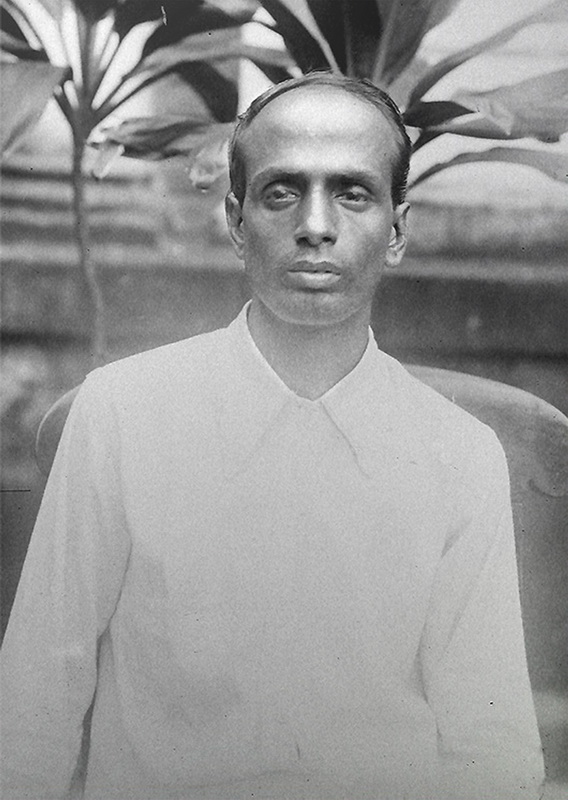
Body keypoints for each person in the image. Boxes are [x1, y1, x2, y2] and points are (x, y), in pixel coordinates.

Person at [0, 73, 545, 800]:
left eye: (353, 194)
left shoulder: (460, 457)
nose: (315, 225)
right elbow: (33, 709)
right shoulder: (121, 416)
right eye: (282, 192)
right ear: (236, 221)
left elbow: (492, 749)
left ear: (397, 230)